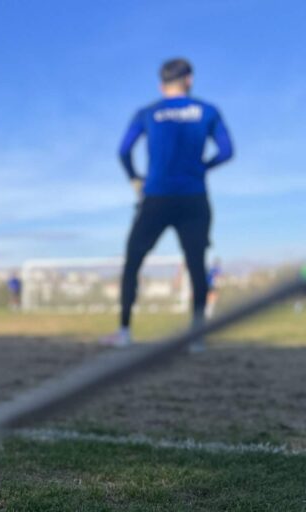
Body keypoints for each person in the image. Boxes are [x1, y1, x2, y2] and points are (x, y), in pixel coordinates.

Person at [103, 57, 233, 350]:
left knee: (133, 261)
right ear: (189, 80)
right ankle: (196, 337)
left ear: (162, 85)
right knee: (196, 265)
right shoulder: (208, 111)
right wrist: (202, 167)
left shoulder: (148, 112)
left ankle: (124, 331)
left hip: (156, 197)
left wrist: (134, 178)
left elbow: (123, 150)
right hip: (194, 198)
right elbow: (226, 151)